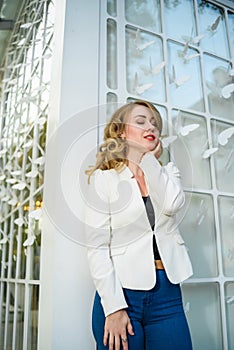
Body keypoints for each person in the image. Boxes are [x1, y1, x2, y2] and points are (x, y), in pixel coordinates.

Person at [84, 100, 193, 350]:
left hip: (168, 294)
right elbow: (97, 247)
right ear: (122, 132)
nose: (150, 126)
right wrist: (113, 307)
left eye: (154, 123)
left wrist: (149, 162)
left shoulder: (168, 173)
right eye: (141, 121)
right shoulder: (105, 180)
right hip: (122, 293)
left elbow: (171, 205)